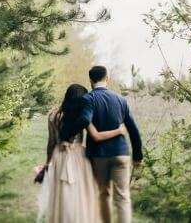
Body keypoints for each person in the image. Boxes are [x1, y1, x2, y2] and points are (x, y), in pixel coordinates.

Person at [59, 66, 143, 223]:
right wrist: (137, 156)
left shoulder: (88, 99)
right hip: (121, 153)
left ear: (91, 81)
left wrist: (66, 134)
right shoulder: (121, 100)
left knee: (104, 194)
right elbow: (133, 130)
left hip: (99, 155)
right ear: (107, 79)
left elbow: (84, 119)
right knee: (123, 197)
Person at [37, 83, 126, 223]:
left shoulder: (53, 115)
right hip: (78, 157)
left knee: (62, 195)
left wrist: (48, 163)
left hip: (58, 156)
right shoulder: (83, 116)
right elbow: (96, 136)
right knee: (79, 195)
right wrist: (119, 131)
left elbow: (51, 142)